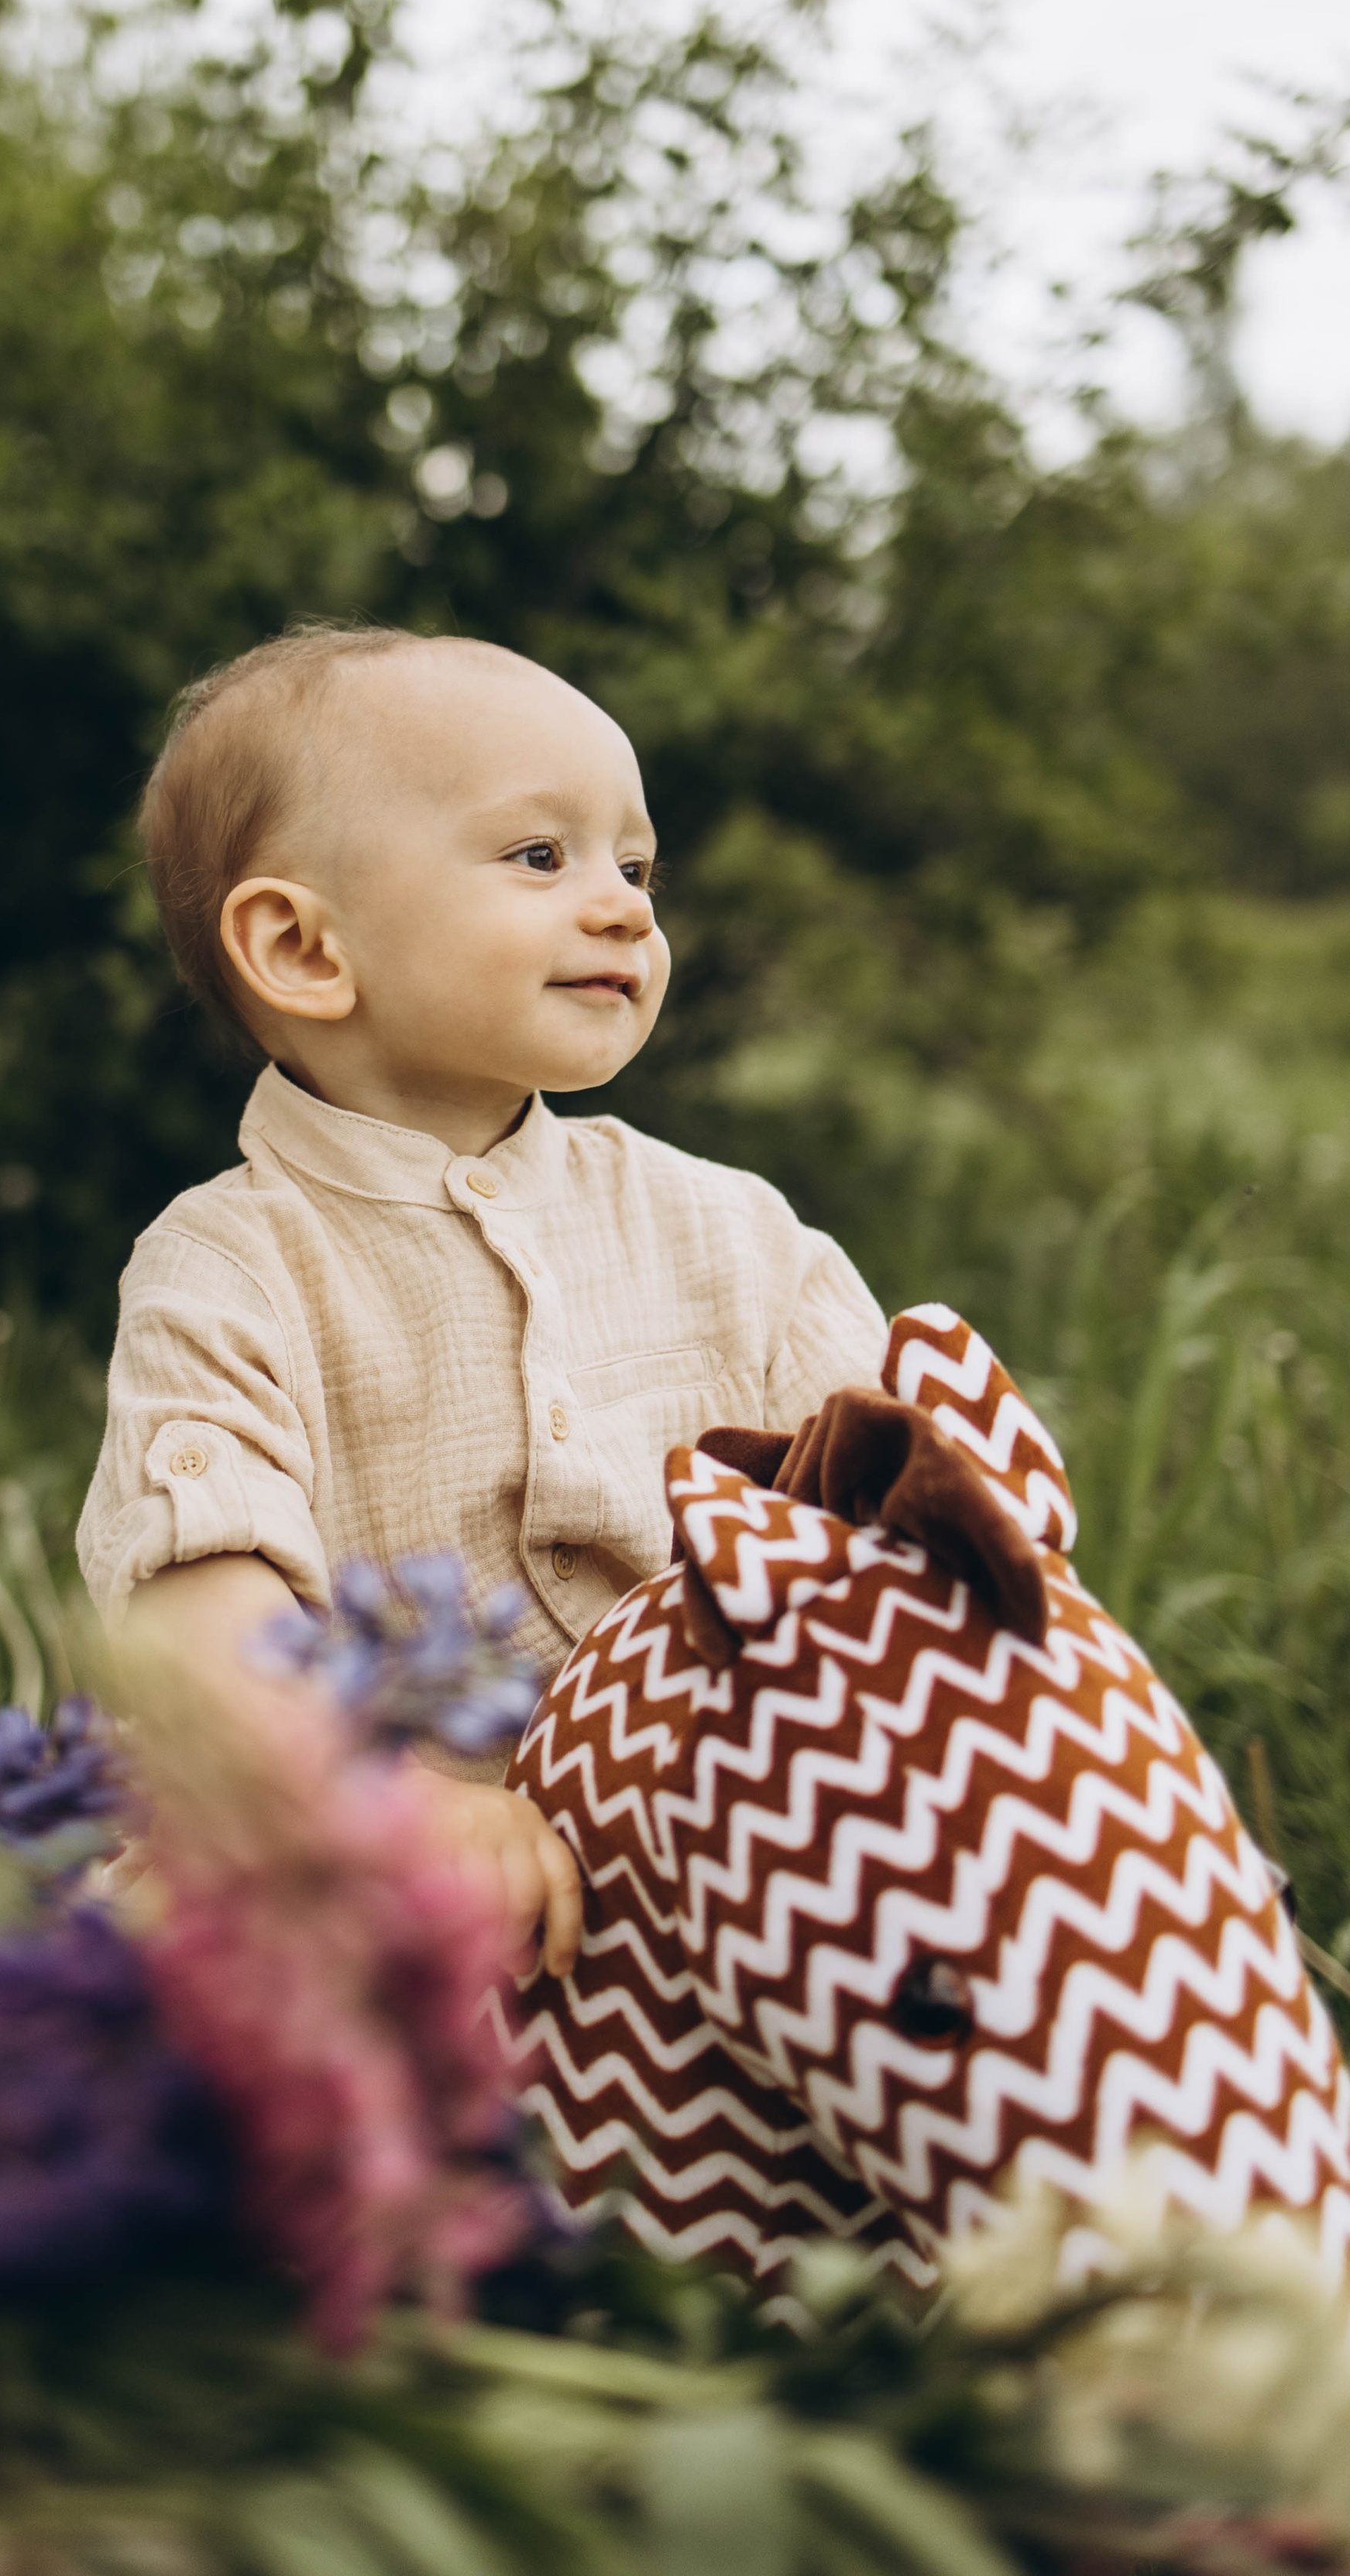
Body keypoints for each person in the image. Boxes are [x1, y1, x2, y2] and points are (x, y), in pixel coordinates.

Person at [77, 625, 887, 1982]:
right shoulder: (232, 1268)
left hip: (717, 1857)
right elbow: (198, 1632)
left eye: (635, 866)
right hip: (370, 1905)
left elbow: (904, 1542)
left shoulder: (735, 1234)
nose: (625, 905)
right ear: (302, 946)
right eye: (540, 858)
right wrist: (386, 1801)